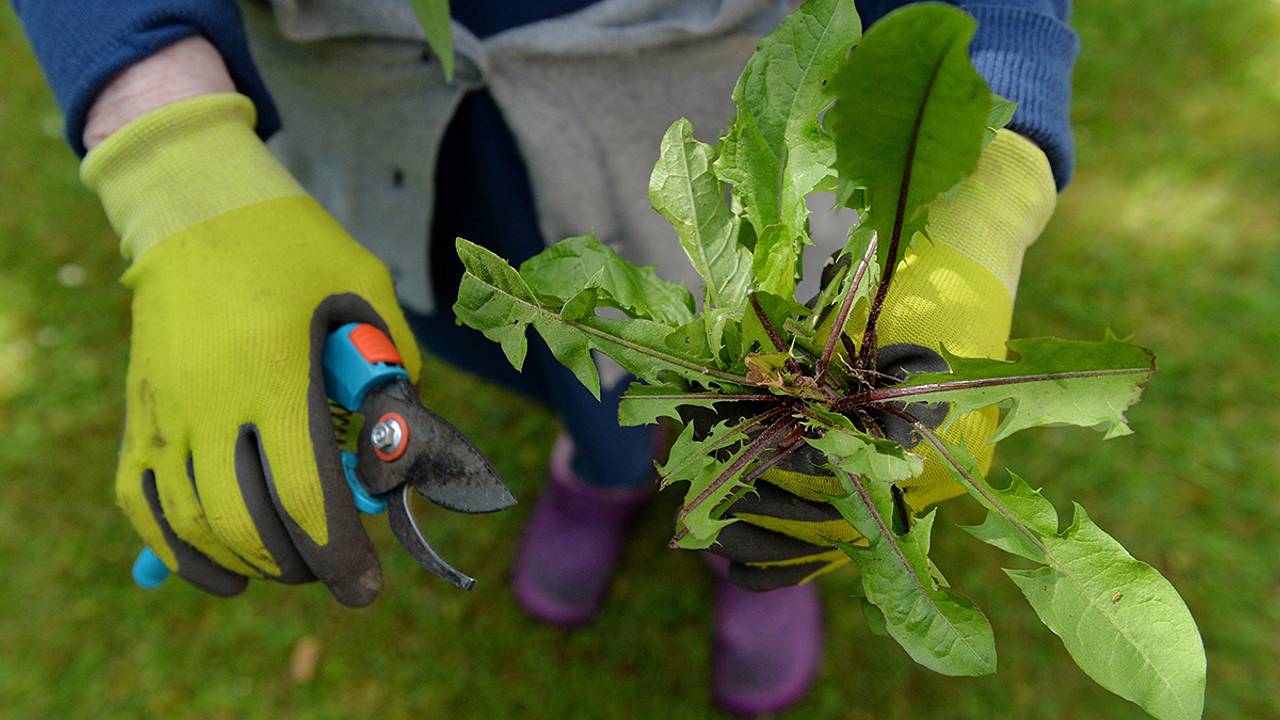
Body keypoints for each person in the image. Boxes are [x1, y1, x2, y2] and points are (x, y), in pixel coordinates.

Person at [14, 0, 1077, 714]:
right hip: (383, 126)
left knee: (747, 380)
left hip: (710, 109)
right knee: (538, 354)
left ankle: (746, 534)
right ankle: (602, 474)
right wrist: (173, 158)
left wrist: (980, 212)